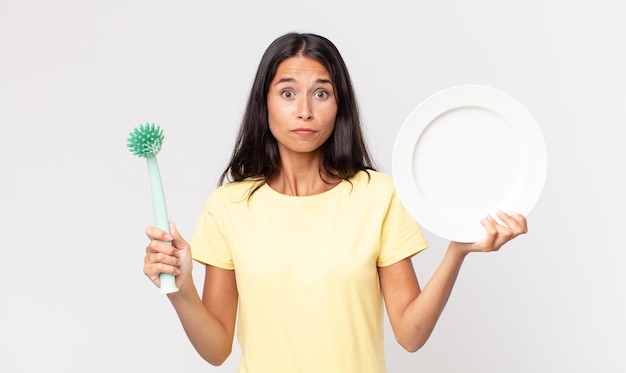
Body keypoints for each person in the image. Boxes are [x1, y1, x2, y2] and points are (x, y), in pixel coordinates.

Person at [143, 32, 528, 373]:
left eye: (321, 93)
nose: (305, 110)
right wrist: (182, 290)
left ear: (339, 104)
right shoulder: (228, 207)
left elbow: (410, 335)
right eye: (288, 92)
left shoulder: (378, 195)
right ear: (265, 104)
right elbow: (216, 349)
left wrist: (456, 251)